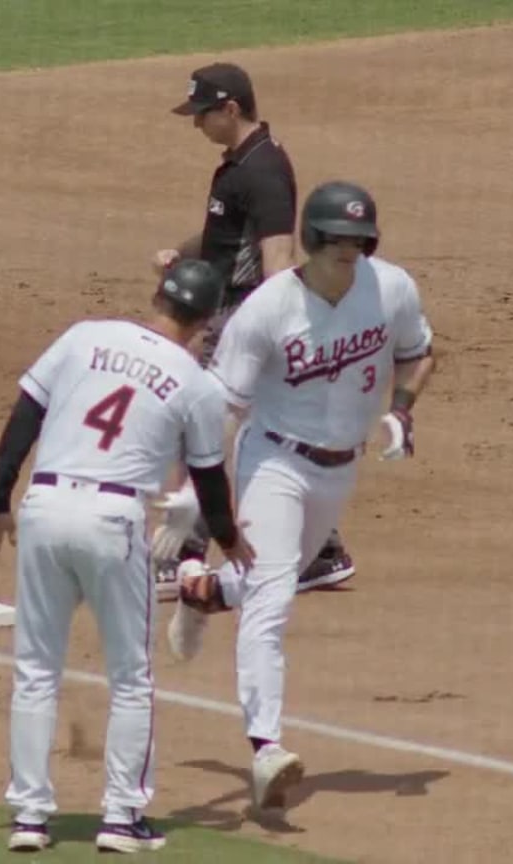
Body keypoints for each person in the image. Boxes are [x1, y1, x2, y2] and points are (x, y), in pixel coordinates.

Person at [160, 181, 438, 815]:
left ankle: (203, 592)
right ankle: (266, 749)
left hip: (340, 470)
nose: (349, 252)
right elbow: (219, 410)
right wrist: (190, 497)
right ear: (311, 240)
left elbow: (420, 354)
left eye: (359, 241)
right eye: (337, 241)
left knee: (268, 579)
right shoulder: (267, 311)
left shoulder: (389, 287)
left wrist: (401, 413)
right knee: (275, 595)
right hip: (275, 460)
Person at [0, 260, 255, 854]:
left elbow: (23, 417)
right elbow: (208, 481)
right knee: (130, 677)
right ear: (206, 323)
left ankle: (29, 817)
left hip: (45, 506)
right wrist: (230, 542)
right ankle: (122, 818)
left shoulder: (84, 336)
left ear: (157, 295)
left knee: (34, 671)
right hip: (113, 521)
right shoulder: (197, 384)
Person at [151, 61, 357, 599]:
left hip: (241, 320)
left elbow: (278, 259)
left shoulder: (263, 170)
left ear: (231, 108)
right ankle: (324, 551)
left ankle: (182, 556)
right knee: (258, 432)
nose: (197, 124)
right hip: (228, 315)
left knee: (207, 428)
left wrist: (265, 333)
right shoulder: (241, 164)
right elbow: (225, 236)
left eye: (203, 114)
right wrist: (184, 254)